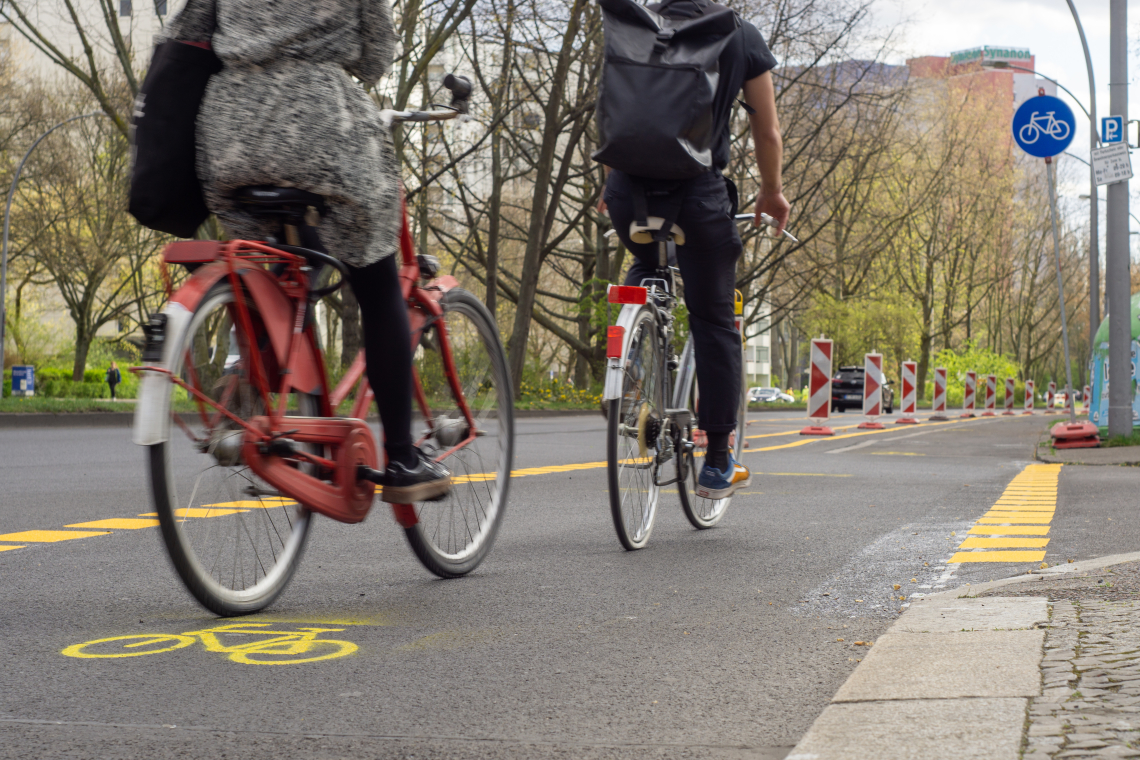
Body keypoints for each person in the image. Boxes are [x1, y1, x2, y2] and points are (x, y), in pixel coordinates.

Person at [165, 0, 449, 503]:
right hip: (319, 121)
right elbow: (376, 51)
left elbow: (189, 31)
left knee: (285, 264)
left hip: (229, 135)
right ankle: (403, 457)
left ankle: (275, 402)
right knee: (379, 282)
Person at [597, 0, 790, 500]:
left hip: (627, 193)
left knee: (646, 262)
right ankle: (718, 459)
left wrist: (609, 183)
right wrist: (771, 192)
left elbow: (614, 110)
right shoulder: (739, 34)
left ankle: (627, 372)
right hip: (697, 198)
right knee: (712, 318)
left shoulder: (635, 26)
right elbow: (766, 131)